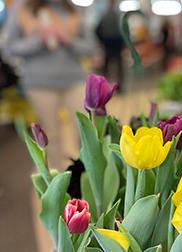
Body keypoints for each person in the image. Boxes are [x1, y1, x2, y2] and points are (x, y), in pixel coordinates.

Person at [3, 0, 95, 170]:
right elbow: (9, 48)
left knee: (87, 131)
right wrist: (40, 39)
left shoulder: (74, 9)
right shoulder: (22, 9)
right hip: (40, 84)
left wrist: (68, 39)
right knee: (50, 135)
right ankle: (59, 180)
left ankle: (88, 176)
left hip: (74, 80)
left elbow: (91, 47)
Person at [95, 0, 124, 82]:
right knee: (118, 67)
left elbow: (97, 30)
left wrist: (102, 41)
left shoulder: (104, 16)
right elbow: (125, 31)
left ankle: (105, 85)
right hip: (115, 45)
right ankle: (118, 86)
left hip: (108, 45)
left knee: (107, 68)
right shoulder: (119, 17)